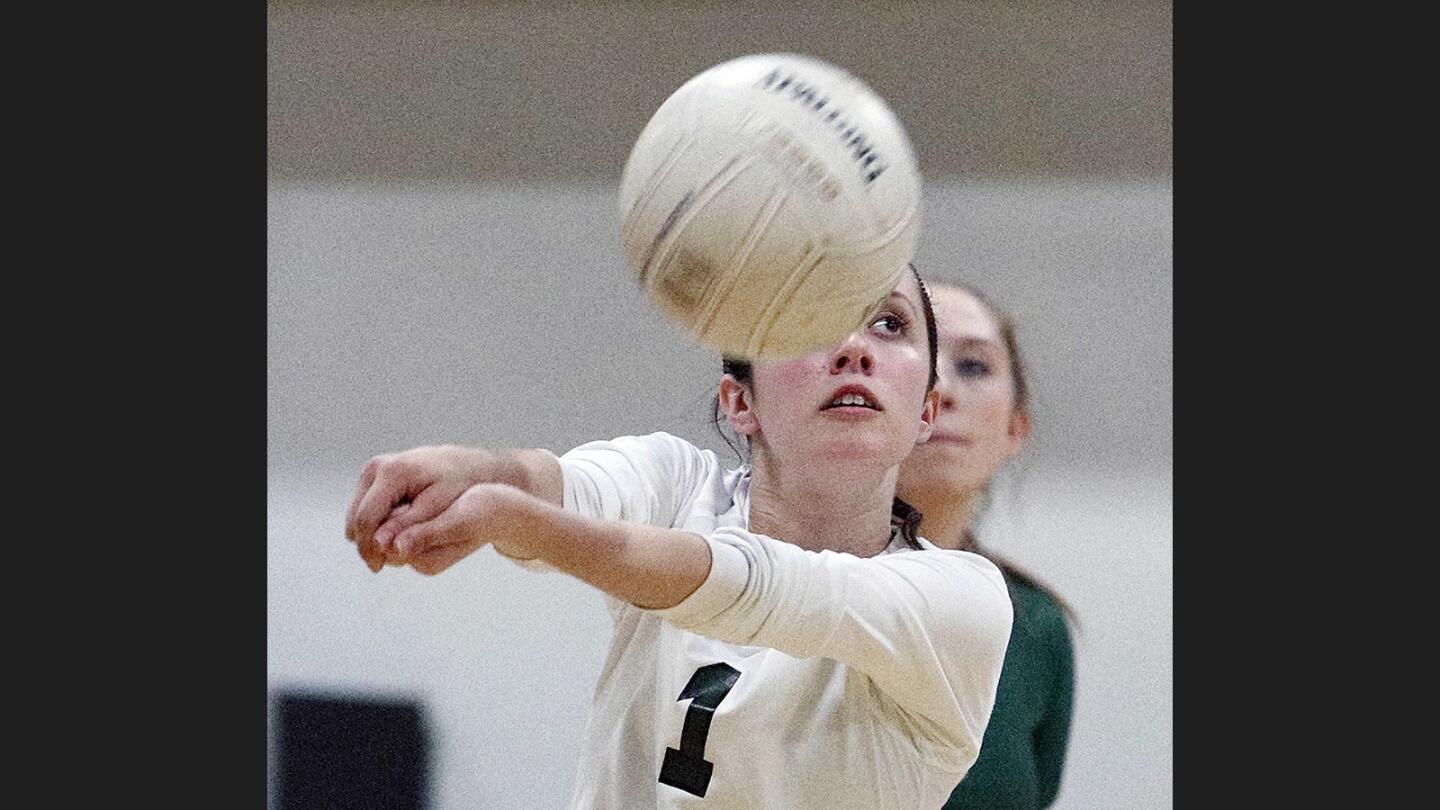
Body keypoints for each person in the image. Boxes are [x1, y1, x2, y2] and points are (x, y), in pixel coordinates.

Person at [344, 267, 1014, 809]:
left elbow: (749, 583)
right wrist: (478, 471)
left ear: (925, 411)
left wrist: (514, 518)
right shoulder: (675, 484)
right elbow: (551, 482)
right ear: (739, 402)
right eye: (806, 321)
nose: (854, 348)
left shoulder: (957, 601)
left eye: (889, 323)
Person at [895, 280, 1076, 809]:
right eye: (911, 357)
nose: (940, 390)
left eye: (973, 365)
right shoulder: (779, 583)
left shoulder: (1037, 627)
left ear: (1017, 427)